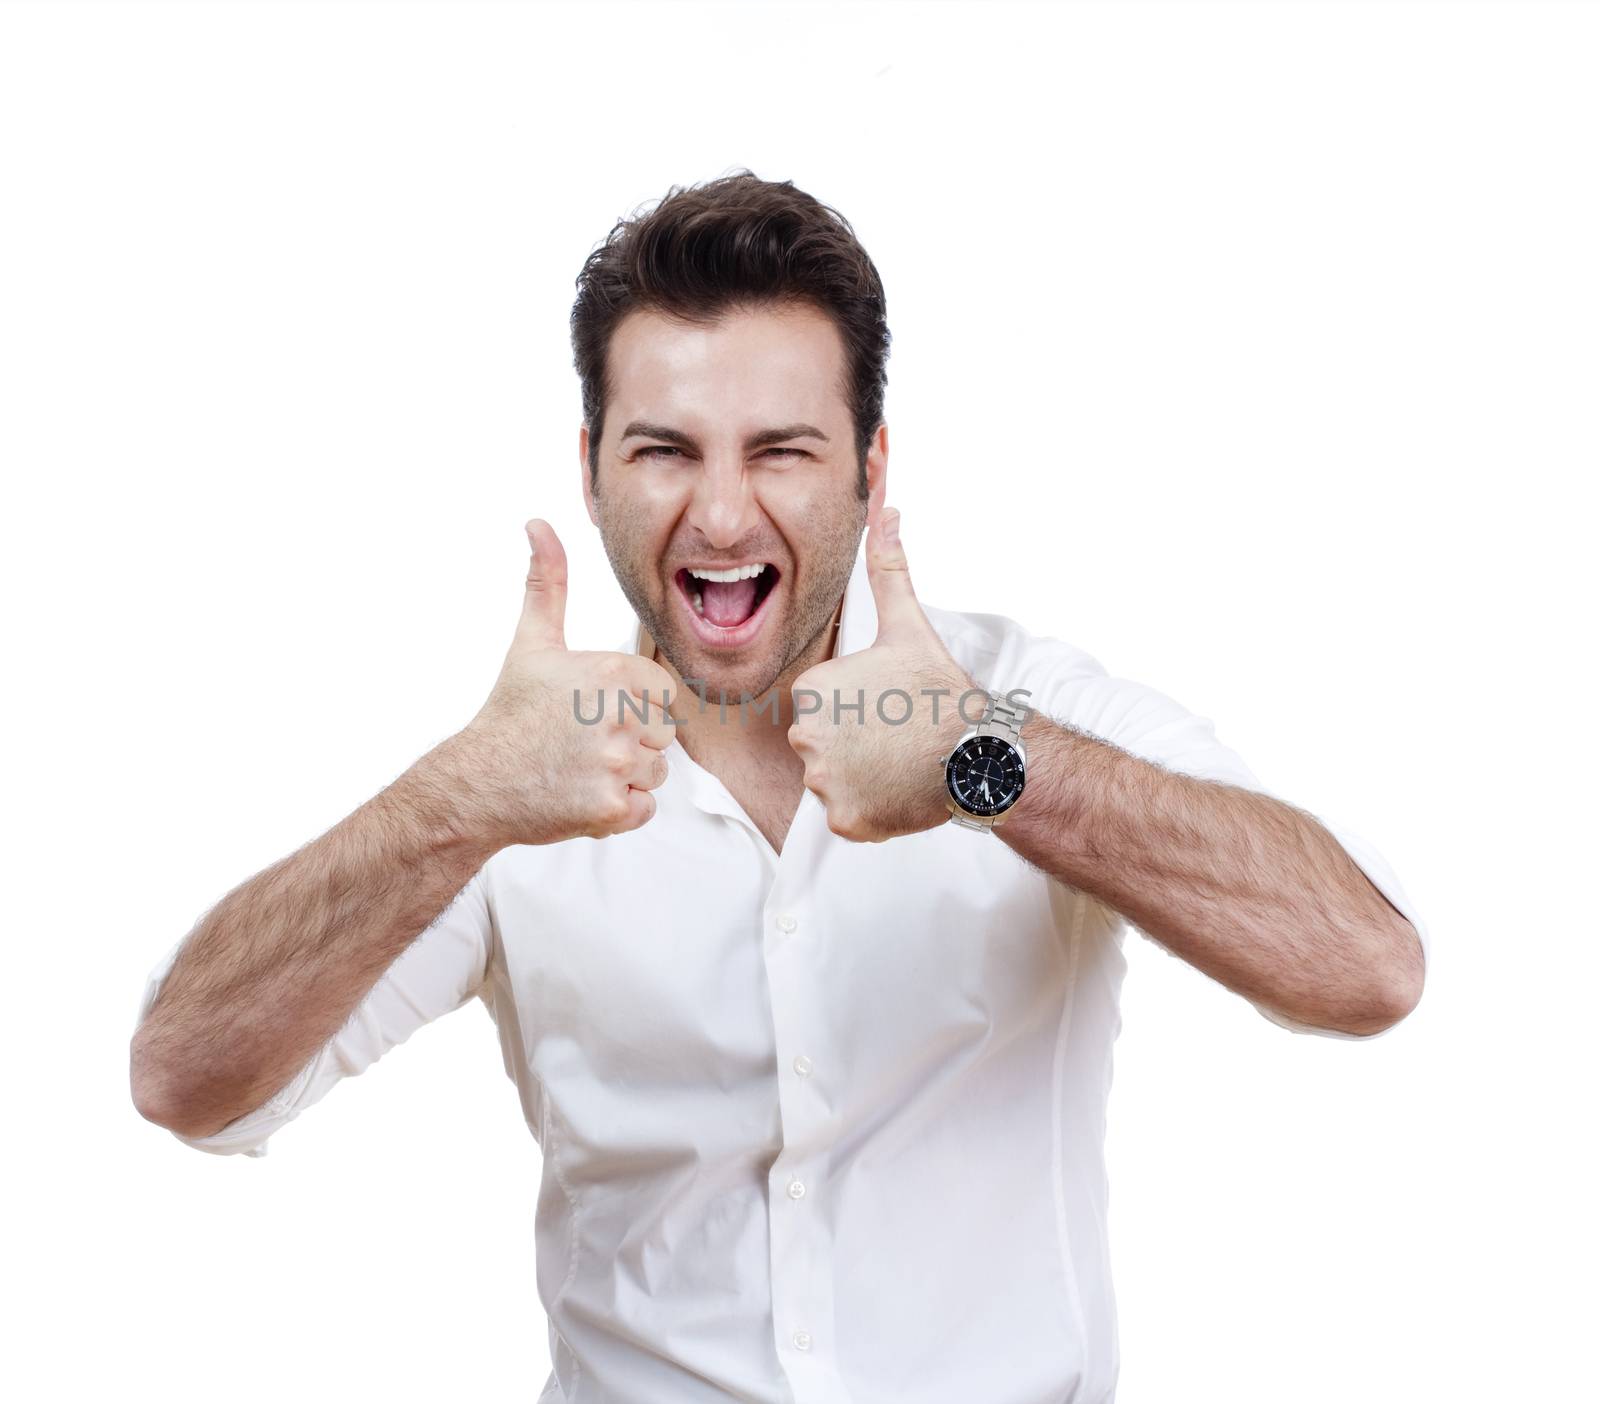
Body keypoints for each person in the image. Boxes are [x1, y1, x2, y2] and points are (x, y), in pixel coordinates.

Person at [130, 170, 1427, 1404]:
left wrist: (992, 767)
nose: (724, 514)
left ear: (870, 468)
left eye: (782, 450)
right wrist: (455, 803)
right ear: (590, 471)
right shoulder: (522, 779)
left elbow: (1364, 967)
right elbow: (188, 1083)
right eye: (665, 451)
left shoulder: (1020, 706)